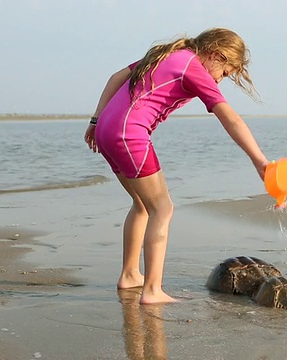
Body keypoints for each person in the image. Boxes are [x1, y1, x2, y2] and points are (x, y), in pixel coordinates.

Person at [83, 28, 269, 304]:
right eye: (225, 73)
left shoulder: (168, 55)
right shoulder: (194, 68)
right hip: (129, 133)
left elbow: (117, 77)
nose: (219, 79)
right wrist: (260, 161)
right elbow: (230, 118)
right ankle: (152, 290)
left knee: (143, 204)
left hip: (107, 130)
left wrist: (96, 120)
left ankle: (131, 275)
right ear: (216, 55)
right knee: (163, 208)